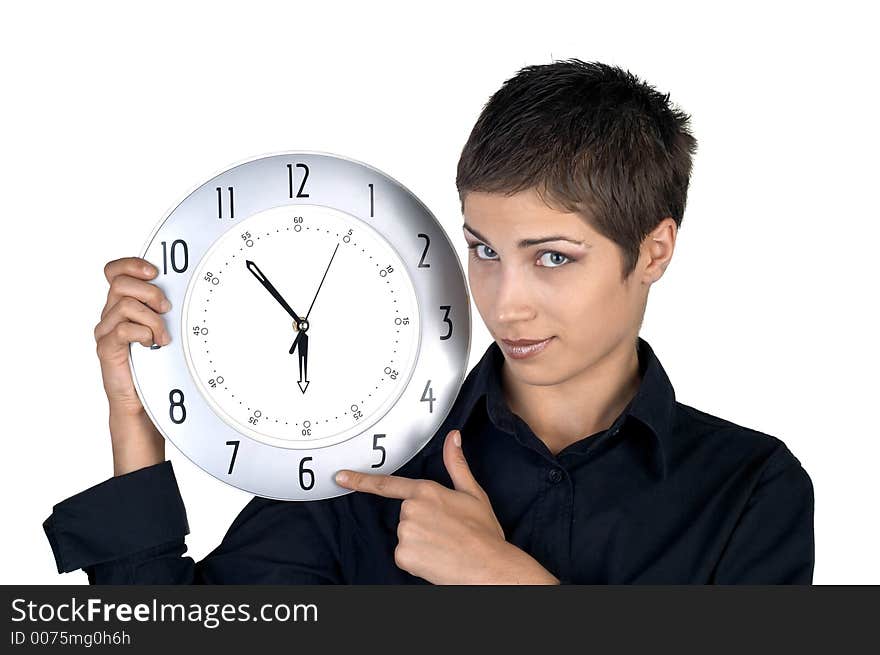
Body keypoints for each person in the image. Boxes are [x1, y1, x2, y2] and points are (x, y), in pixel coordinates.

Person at [43, 59, 814, 584]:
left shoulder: (750, 487)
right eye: (483, 249)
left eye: (552, 258)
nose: (504, 301)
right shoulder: (358, 469)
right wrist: (136, 421)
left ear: (653, 251)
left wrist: (508, 584)